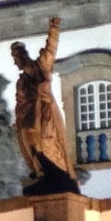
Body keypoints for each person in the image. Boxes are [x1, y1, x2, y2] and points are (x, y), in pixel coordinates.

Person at [10, 17, 79, 191]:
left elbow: (51, 49)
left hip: (44, 115)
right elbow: (20, 102)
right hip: (28, 120)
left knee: (48, 144)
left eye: (17, 56)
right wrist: (18, 120)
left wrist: (54, 28)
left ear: (23, 56)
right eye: (14, 58)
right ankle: (45, 175)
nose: (15, 61)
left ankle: (59, 175)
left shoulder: (41, 66)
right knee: (34, 149)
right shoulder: (22, 81)